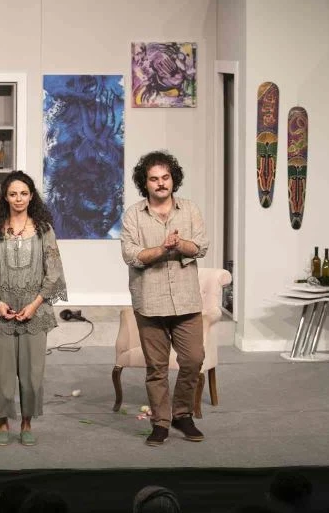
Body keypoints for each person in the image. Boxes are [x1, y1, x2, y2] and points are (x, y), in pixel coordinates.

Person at [0, 170, 67, 447]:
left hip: (35, 311)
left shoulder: (44, 230)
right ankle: (2, 424)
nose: (19, 199)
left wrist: (34, 305)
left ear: (31, 196)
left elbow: (54, 273)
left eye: (23, 193)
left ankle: (26, 423)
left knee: (32, 375)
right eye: (13, 194)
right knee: (0, 374)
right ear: (5, 197)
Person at [120, 150, 209, 447]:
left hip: (187, 301)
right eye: (154, 179)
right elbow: (131, 255)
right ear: (144, 183)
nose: (161, 183)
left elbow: (201, 246)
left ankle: (182, 414)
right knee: (156, 368)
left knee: (193, 359)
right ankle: (160, 422)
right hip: (150, 302)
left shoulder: (190, 210)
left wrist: (179, 244)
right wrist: (162, 248)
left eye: (165, 177)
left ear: (173, 179)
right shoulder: (133, 215)